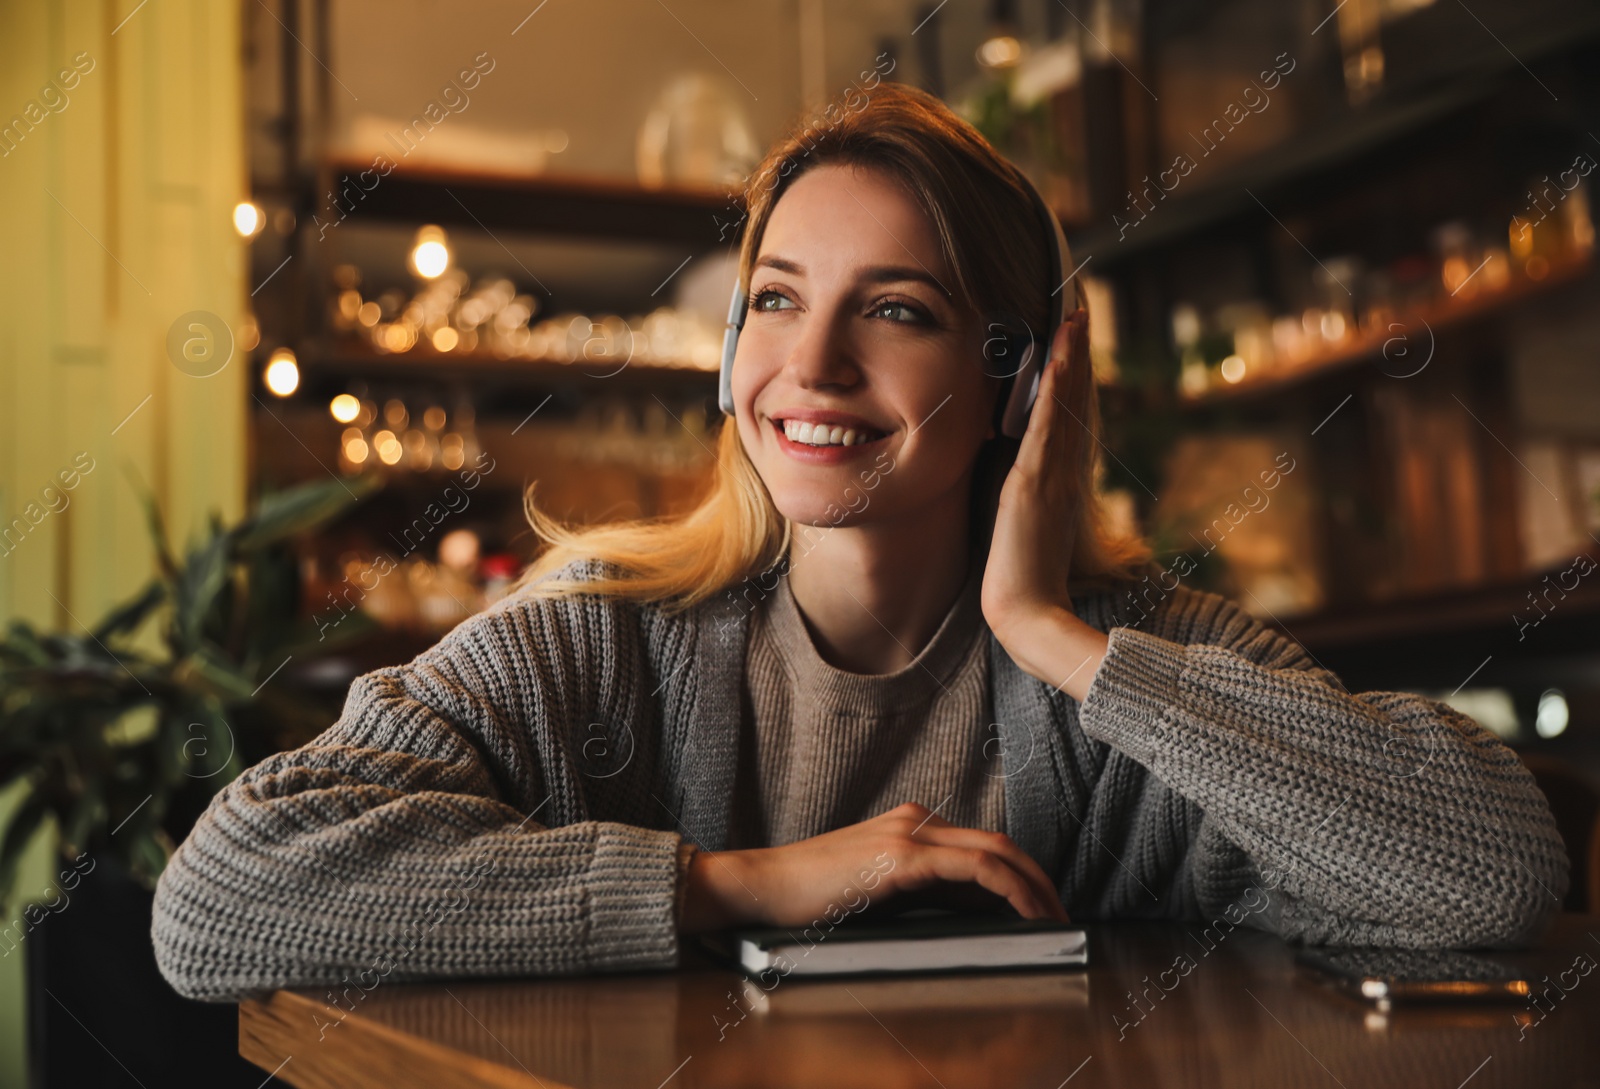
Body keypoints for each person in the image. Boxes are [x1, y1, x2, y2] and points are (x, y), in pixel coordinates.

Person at [151, 82, 1568, 1003]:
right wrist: (739, 882)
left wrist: (1055, 637)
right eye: (773, 300)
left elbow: (1491, 868)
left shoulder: (1125, 659)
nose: (811, 364)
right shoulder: (599, 634)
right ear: (725, 355)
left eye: (894, 309)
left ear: (1021, 380)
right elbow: (221, 897)